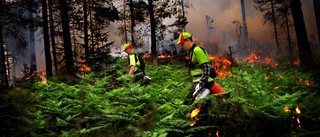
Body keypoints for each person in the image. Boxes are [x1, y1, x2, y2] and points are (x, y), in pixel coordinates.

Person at [176, 32, 217, 105]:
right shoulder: (192, 52)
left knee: (193, 105)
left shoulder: (197, 50)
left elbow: (206, 68)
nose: (182, 46)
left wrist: (200, 85)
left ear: (188, 40)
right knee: (190, 104)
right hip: (197, 82)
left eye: (182, 43)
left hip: (203, 83)